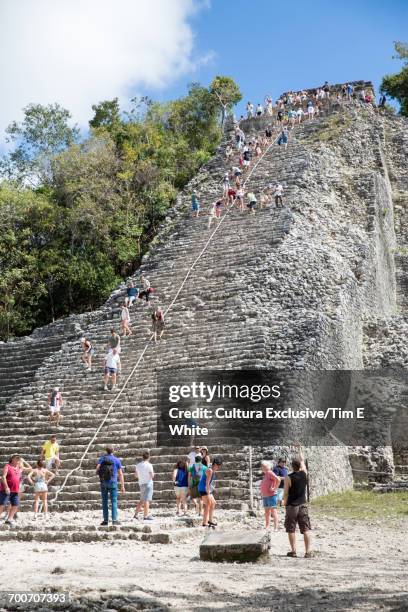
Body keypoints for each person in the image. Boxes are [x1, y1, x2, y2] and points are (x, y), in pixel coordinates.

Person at [283, 444, 312, 558]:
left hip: (292, 506)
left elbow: (285, 493)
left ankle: (294, 551)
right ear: (300, 465)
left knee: (291, 529)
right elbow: (303, 461)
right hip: (302, 505)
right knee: (306, 528)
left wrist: (285, 503)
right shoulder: (304, 473)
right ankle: (308, 552)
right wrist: (300, 450)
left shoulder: (288, 477)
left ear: (292, 466)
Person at [96, 446, 125, 526]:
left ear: (106, 451)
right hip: (113, 482)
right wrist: (122, 486)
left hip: (104, 482)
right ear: (113, 451)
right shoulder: (116, 460)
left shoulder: (102, 459)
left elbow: (97, 468)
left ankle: (105, 520)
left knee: (104, 502)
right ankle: (114, 520)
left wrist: (101, 475)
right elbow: (120, 474)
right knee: (114, 501)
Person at [198, 457, 222, 528]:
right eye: (218, 465)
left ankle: (210, 520)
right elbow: (207, 483)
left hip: (207, 488)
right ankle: (204, 522)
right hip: (203, 488)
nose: (218, 467)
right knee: (208, 504)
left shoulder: (212, 470)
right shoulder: (210, 470)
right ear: (215, 464)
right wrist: (208, 493)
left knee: (213, 503)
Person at [0, 456, 22, 526]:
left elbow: (29, 469)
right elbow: (3, 477)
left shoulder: (18, 468)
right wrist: (6, 487)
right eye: (17, 458)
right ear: (12, 459)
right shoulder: (7, 466)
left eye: (19, 459)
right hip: (6, 489)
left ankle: (9, 519)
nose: (18, 460)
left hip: (15, 490)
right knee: (2, 505)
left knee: (15, 504)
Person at [260, 460, 281, 530]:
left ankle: (275, 527)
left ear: (266, 466)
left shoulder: (269, 472)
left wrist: (275, 488)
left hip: (271, 495)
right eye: (262, 466)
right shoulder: (266, 474)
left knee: (273, 511)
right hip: (265, 495)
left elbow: (278, 479)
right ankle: (267, 526)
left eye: (263, 466)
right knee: (267, 512)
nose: (261, 467)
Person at [134, 451, 154, 521]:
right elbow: (152, 476)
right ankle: (146, 516)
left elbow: (136, 475)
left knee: (142, 500)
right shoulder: (149, 465)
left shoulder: (138, 465)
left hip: (141, 483)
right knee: (147, 500)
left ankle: (136, 514)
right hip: (148, 483)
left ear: (142, 457)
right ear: (149, 457)